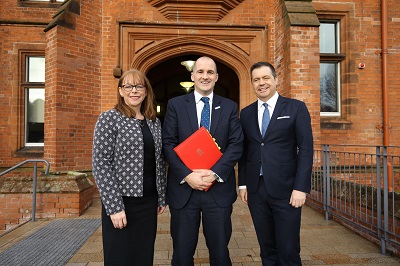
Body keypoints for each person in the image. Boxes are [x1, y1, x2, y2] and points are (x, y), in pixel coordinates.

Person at [162, 56, 243, 266]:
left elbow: (236, 145)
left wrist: (214, 173)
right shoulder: (176, 105)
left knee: (220, 253)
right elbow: (168, 144)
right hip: (184, 191)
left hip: (217, 192)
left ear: (216, 77)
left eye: (209, 72)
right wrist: (188, 175)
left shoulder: (229, 107)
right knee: (181, 254)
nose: (204, 76)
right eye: (200, 72)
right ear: (192, 75)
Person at [238, 61, 314, 265]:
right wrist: (243, 183)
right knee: (267, 249)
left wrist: (301, 188)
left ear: (275, 80)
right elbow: (245, 151)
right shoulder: (245, 113)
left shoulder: (295, 108)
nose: (261, 83)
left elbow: (306, 150)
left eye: (265, 78)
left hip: (287, 191)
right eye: (256, 80)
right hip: (256, 190)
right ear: (252, 84)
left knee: (288, 250)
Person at [92, 69, 166, 266]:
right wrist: (114, 207)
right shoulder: (109, 119)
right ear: (121, 91)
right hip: (122, 202)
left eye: (139, 86)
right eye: (128, 86)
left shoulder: (154, 122)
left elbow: (158, 161)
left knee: (143, 256)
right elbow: (100, 165)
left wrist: (161, 196)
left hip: (149, 202)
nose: (134, 90)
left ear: (146, 91)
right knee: (120, 257)